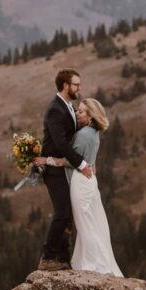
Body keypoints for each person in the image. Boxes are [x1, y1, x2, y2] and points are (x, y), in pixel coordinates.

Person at [36, 69, 93, 271]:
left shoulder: (68, 106)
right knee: (62, 213)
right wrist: (82, 163)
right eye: (76, 84)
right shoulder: (55, 109)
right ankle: (47, 256)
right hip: (54, 170)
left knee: (67, 214)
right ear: (65, 86)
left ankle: (62, 258)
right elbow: (60, 143)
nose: (79, 87)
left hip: (64, 169)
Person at [66, 98, 122, 276]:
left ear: (90, 117)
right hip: (89, 181)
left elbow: (71, 161)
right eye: (78, 110)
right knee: (91, 222)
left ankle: (96, 263)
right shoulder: (93, 133)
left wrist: (46, 160)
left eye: (81, 111)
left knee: (85, 223)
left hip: (81, 182)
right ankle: (90, 260)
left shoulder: (83, 135)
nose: (77, 113)